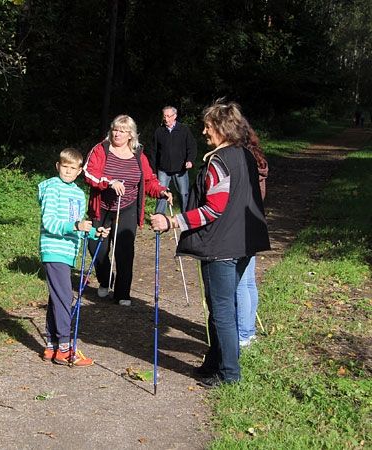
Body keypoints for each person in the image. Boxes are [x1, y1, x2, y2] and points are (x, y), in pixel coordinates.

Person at [150, 101, 270, 387]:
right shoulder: (245, 155)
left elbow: (214, 208)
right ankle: (214, 363)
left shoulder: (219, 161)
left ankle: (229, 374)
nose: (204, 131)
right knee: (220, 309)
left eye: (208, 126)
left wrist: (172, 222)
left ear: (222, 128)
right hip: (241, 243)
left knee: (222, 310)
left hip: (222, 247)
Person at [84, 114, 171, 306]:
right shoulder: (101, 149)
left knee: (124, 251)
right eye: (115, 129)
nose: (117, 134)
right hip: (102, 208)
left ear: (131, 134)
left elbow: (148, 181)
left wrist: (162, 191)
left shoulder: (138, 154)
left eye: (122, 131)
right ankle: (106, 279)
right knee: (97, 247)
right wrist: (109, 182)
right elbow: (89, 173)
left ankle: (122, 293)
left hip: (128, 208)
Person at [38, 148, 110, 366]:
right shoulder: (52, 189)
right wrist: (75, 226)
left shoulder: (78, 194)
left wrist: (92, 231)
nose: (67, 171)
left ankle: (51, 345)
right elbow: (49, 223)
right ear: (58, 166)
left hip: (69, 251)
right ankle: (65, 347)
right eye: (64, 167)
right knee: (64, 298)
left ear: (79, 171)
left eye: (72, 168)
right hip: (54, 249)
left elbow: (79, 224)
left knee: (57, 297)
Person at [236, 121, 268, 348]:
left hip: (242, 225)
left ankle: (243, 334)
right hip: (253, 224)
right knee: (248, 281)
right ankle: (249, 330)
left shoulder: (243, 161)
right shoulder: (257, 158)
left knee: (241, 283)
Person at [148, 106, 197, 214]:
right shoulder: (159, 131)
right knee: (161, 193)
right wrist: (153, 170)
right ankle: (159, 217)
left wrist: (190, 160)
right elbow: (153, 151)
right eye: (164, 116)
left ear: (175, 116)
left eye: (169, 116)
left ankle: (186, 216)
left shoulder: (184, 130)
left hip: (180, 170)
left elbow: (192, 146)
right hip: (163, 170)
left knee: (184, 194)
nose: (166, 119)